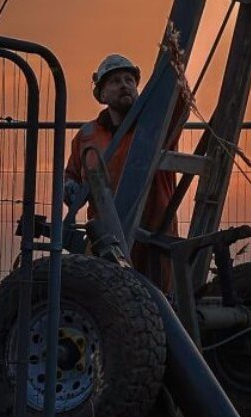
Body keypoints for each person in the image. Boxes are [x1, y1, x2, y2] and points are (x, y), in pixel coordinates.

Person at [64, 54, 179, 291]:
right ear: (102, 94)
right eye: (115, 81)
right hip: (107, 238)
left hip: (155, 232)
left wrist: (175, 61)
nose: (124, 85)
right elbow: (73, 176)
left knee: (159, 299)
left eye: (129, 79)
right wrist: (70, 188)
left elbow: (177, 101)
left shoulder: (156, 126)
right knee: (111, 299)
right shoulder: (87, 136)